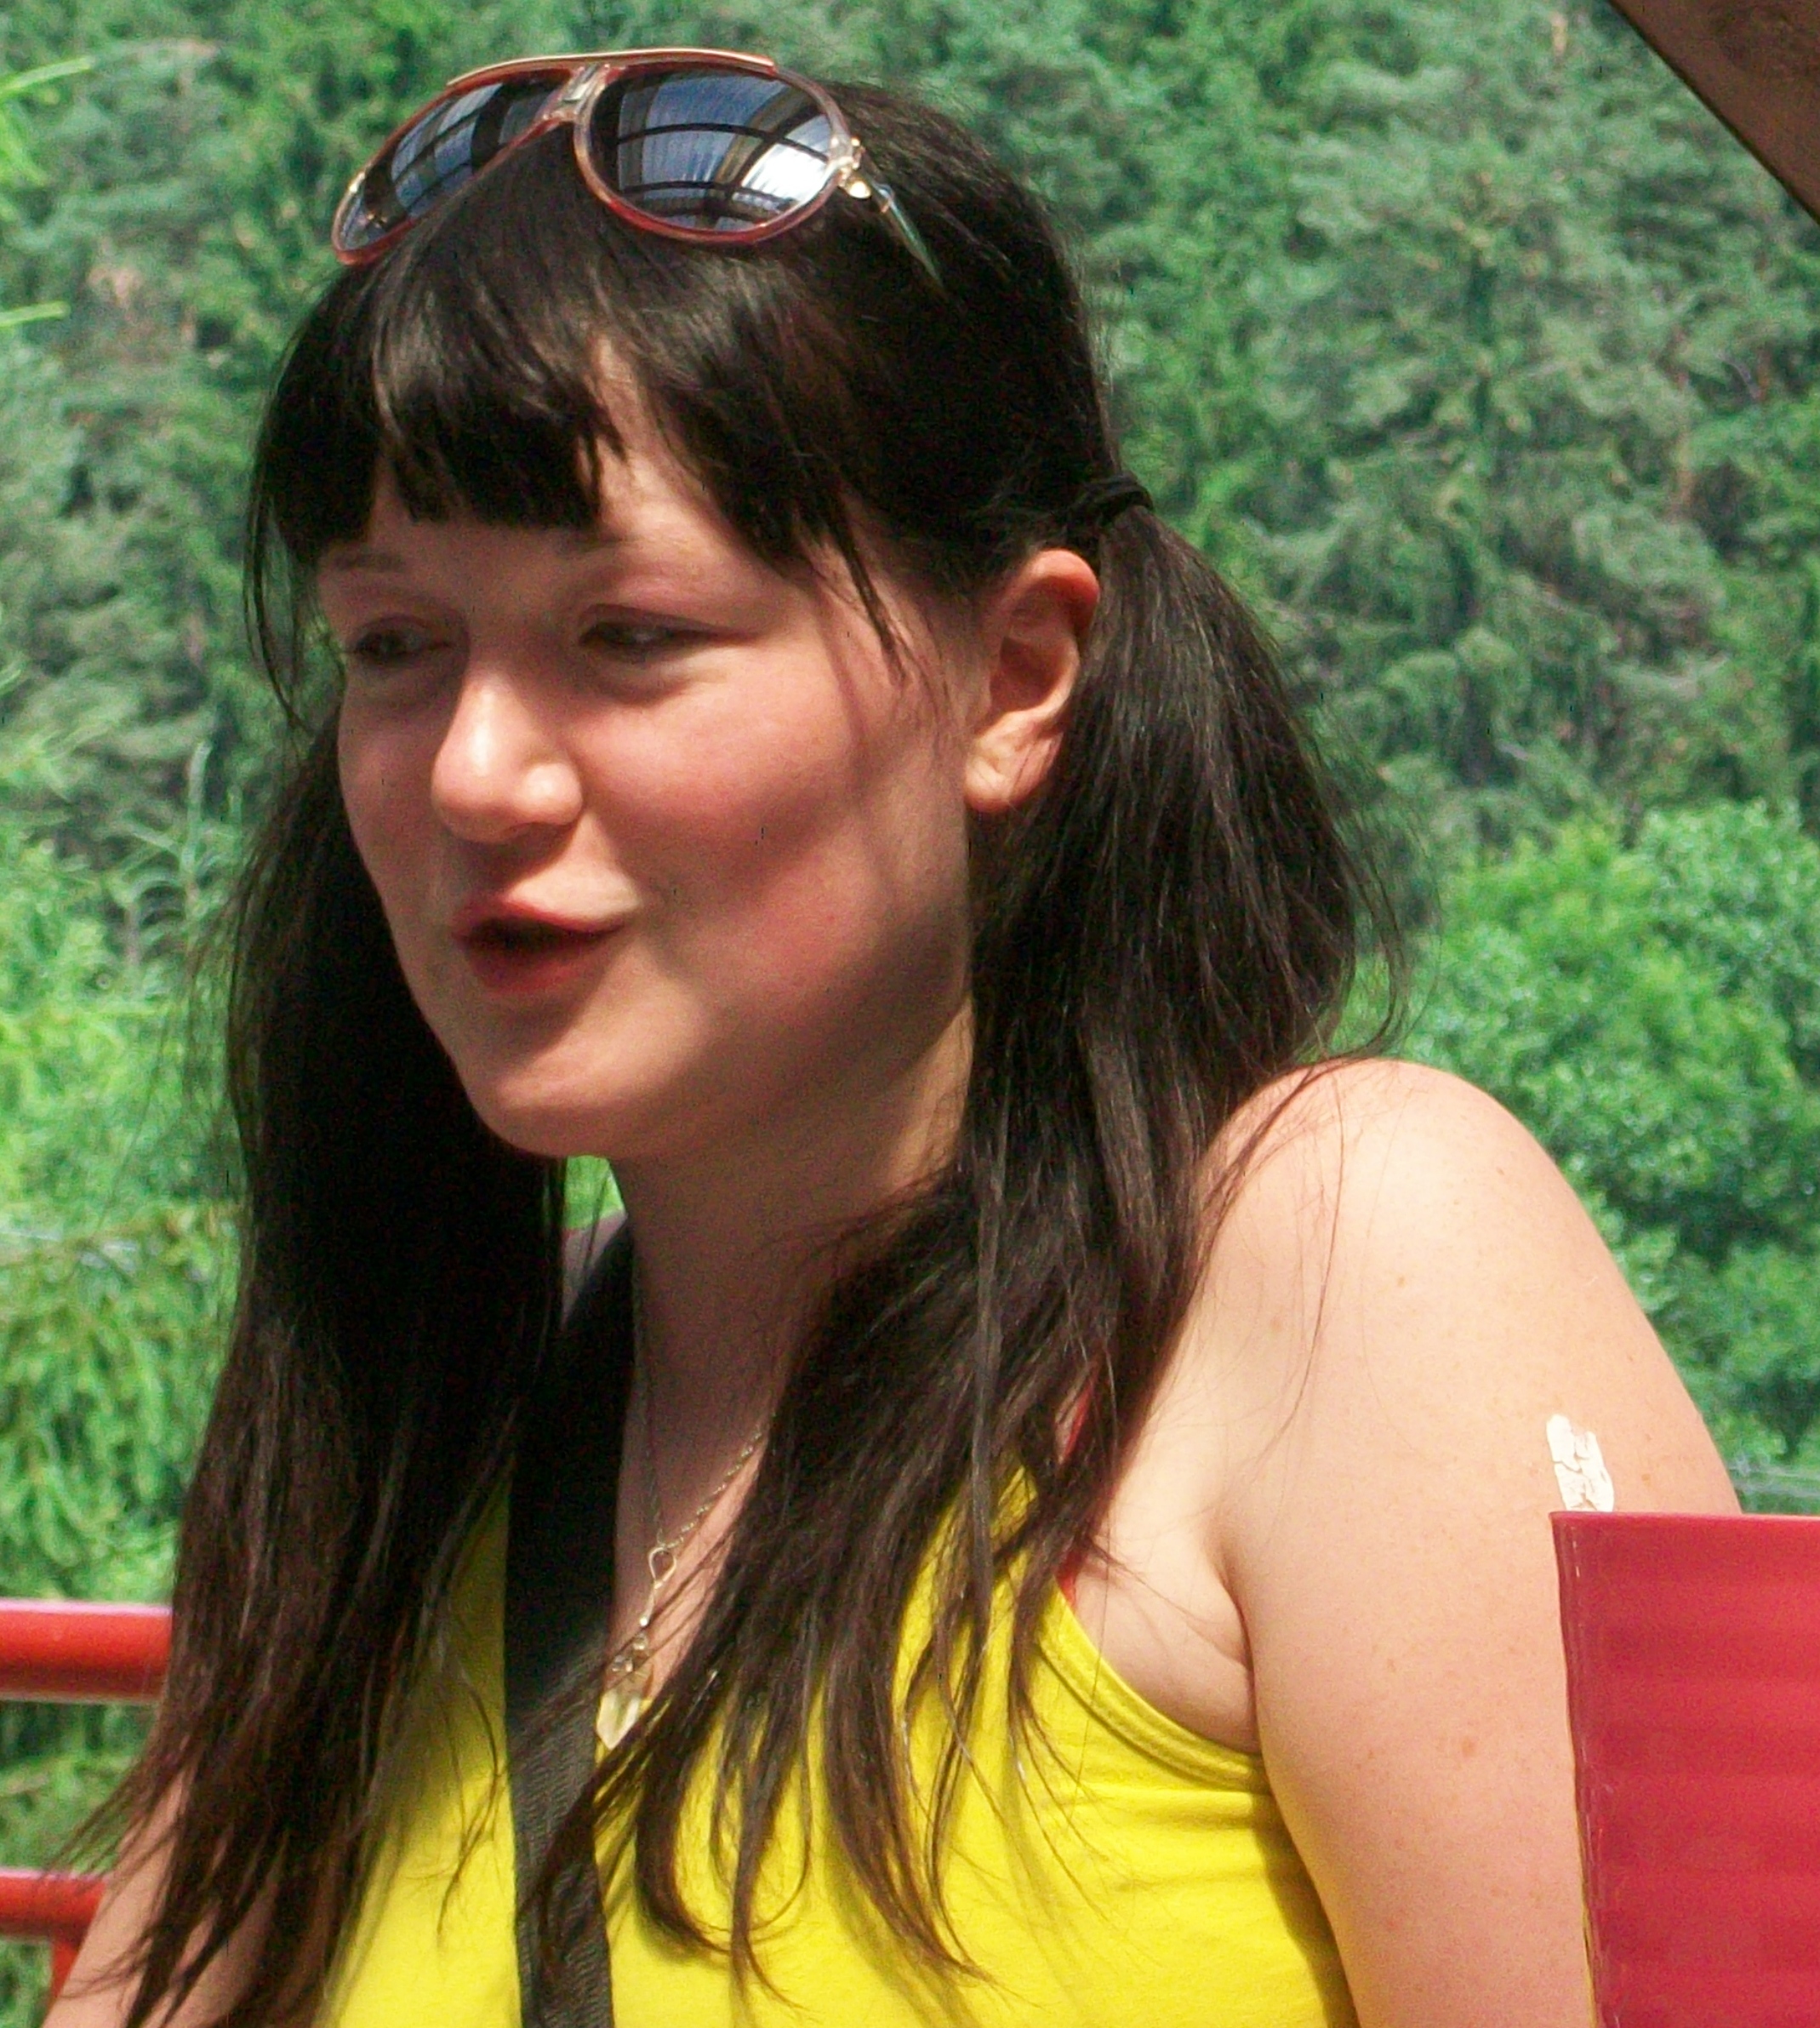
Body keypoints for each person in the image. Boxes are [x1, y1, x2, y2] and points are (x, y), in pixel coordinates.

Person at [49, 49, 1736, 2028]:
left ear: (1012, 679)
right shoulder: (412, 1440)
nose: (476, 772)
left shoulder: (1344, 1269)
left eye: (629, 637)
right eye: (393, 646)